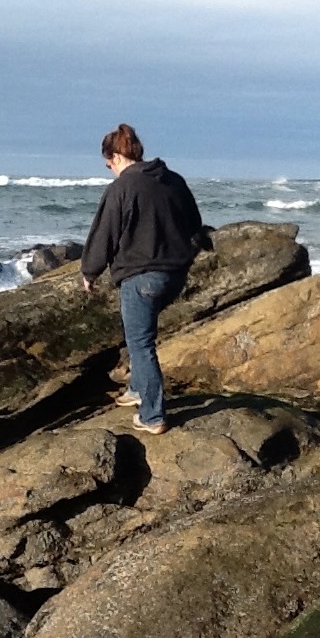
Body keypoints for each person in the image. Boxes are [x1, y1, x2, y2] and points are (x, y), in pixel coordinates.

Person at [81, 124, 203, 435]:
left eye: (108, 164)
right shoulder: (173, 180)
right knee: (139, 334)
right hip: (175, 274)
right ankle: (137, 388)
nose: (110, 169)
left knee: (141, 343)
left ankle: (152, 415)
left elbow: (104, 234)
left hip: (141, 277)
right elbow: (195, 223)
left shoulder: (122, 187)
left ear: (116, 157)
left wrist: (89, 271)